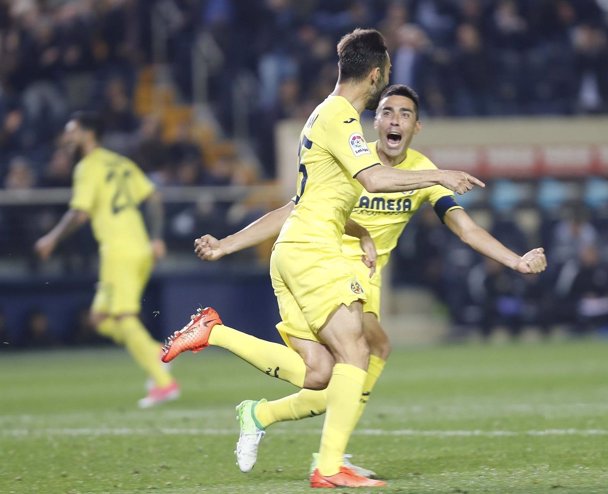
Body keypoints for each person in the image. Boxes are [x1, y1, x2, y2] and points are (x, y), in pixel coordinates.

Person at [165, 83, 547, 476]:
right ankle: (331, 461)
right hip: (321, 266)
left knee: (322, 376)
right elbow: (294, 210)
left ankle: (254, 404)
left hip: (362, 281)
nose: (395, 120)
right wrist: (227, 244)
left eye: (405, 114)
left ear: (417, 126)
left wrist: (516, 260)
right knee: (370, 348)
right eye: (387, 112)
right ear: (375, 121)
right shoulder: (353, 155)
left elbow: (466, 230)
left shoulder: (421, 170)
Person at [34, 111, 179, 409]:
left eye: (71, 131)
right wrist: (156, 237)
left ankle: (165, 384)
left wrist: (51, 238)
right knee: (100, 319)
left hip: (119, 250)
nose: (67, 137)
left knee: (124, 317)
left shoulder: (87, 167)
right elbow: (153, 198)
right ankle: (156, 352)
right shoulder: (121, 161)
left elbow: (80, 213)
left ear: (88, 134)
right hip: (137, 247)